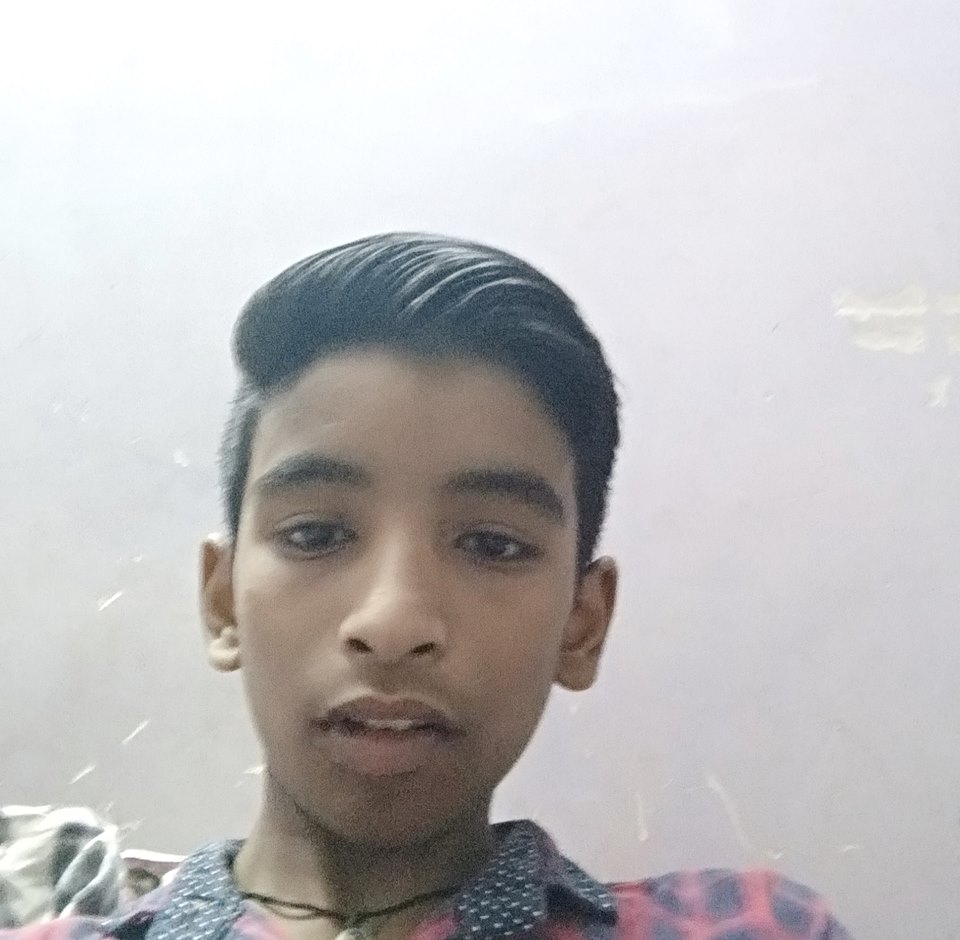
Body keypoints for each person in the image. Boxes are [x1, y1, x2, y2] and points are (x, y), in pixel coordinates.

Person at [3, 234, 854, 940]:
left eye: (492, 544)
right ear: (223, 601)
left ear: (582, 624)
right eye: (315, 535)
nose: (393, 620)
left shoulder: (743, 929)